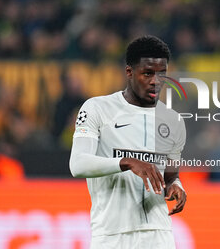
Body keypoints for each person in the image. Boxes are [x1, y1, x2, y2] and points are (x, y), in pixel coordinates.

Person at [69, 35, 187, 248]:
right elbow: (77, 164)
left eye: (162, 74)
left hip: (159, 235)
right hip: (112, 235)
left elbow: (171, 175)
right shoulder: (97, 108)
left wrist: (176, 185)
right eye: (148, 73)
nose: (155, 81)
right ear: (129, 72)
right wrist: (127, 162)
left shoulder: (174, 121)